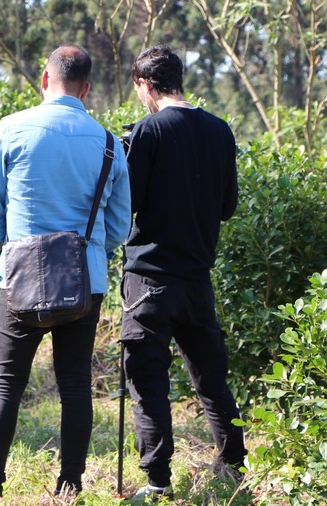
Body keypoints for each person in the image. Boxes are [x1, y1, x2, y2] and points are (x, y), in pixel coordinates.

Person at [0, 45, 132, 503]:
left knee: (5, 384)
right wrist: (89, 249)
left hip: (19, 277)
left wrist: (4, 248)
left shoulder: (11, 128)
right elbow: (120, 224)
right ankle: (70, 487)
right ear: (87, 89)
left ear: (45, 80)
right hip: (84, 280)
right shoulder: (107, 142)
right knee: (76, 384)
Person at [119, 45, 247, 500]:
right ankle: (233, 464)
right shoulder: (219, 130)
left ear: (145, 85)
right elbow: (228, 206)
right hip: (197, 279)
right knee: (211, 377)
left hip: (149, 279)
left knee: (148, 378)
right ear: (179, 79)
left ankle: (157, 481)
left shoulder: (149, 130)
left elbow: (126, 204)